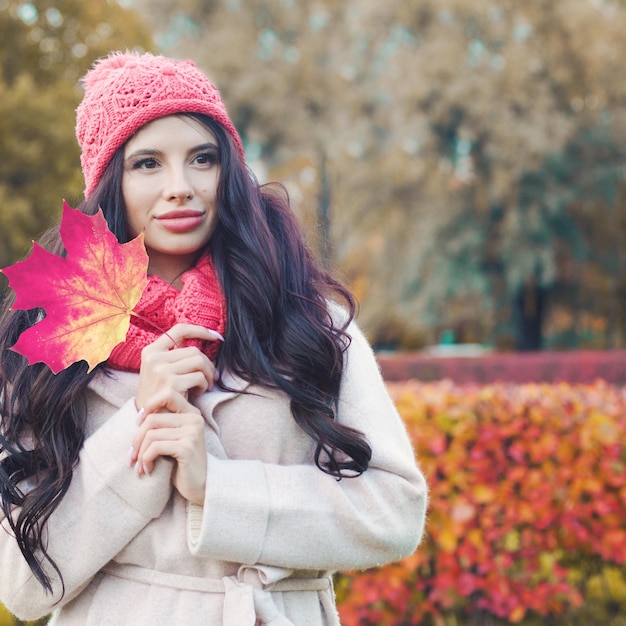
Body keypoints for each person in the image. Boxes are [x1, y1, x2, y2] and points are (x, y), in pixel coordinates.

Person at [0, 51, 427, 625]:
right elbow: (21, 585)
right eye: (147, 164)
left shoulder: (306, 318)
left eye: (202, 158)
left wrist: (219, 492)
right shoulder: (51, 338)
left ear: (229, 171)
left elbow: (395, 512)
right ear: (109, 183)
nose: (180, 187)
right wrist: (137, 428)